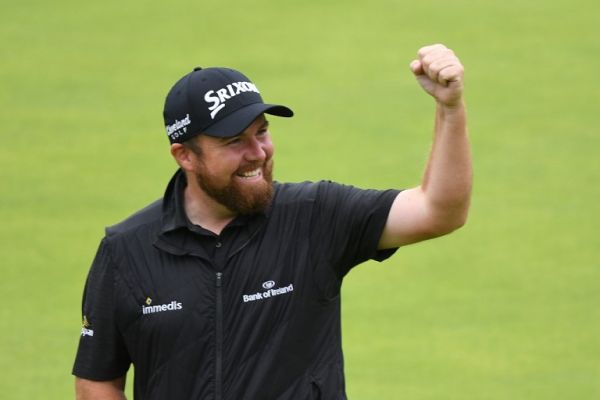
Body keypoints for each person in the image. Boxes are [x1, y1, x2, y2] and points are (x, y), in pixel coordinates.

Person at [72, 43, 472, 400]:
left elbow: (438, 211)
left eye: (262, 132)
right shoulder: (127, 250)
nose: (257, 153)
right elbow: (96, 380)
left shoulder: (315, 216)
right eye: (234, 142)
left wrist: (449, 109)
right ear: (185, 156)